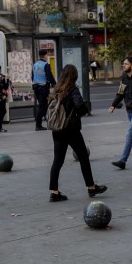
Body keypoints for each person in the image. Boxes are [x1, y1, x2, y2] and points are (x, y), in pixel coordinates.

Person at [47, 64, 106, 202]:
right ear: (74, 76)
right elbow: (80, 106)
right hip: (71, 130)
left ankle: (54, 192)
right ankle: (91, 187)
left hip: (57, 129)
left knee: (58, 160)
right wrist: (78, 114)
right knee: (83, 157)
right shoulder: (72, 90)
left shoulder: (56, 89)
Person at [32, 49, 56, 131]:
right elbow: (49, 76)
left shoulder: (35, 64)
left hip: (36, 87)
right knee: (42, 106)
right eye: (47, 55)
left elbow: (32, 76)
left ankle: (49, 120)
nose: (47, 56)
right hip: (43, 87)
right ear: (45, 55)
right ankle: (38, 125)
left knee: (44, 105)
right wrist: (54, 84)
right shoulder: (46, 65)